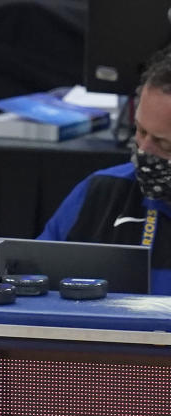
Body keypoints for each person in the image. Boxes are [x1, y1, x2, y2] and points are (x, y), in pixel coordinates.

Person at [38, 47, 171, 294]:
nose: (144, 150)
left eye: (164, 144)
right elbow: (34, 291)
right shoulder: (101, 193)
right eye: (140, 131)